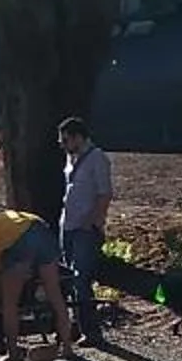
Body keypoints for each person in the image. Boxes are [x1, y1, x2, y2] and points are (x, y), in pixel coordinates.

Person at [0, 207, 73, 361]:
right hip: (40, 229)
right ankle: (67, 348)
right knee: (55, 295)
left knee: (10, 304)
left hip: (20, 241)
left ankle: (13, 354)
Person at [57, 116, 114, 342]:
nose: (63, 144)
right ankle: (76, 324)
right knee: (68, 278)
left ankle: (91, 330)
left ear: (78, 137)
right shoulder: (71, 159)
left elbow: (105, 193)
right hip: (68, 225)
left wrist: (93, 221)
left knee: (81, 278)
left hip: (84, 228)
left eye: (66, 140)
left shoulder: (97, 159)